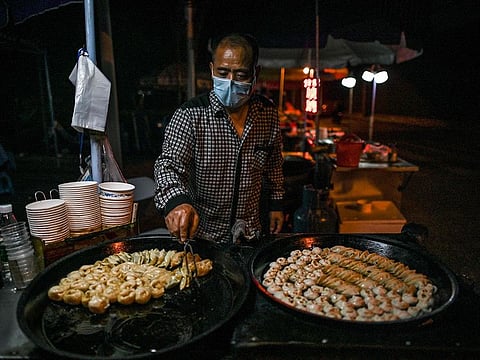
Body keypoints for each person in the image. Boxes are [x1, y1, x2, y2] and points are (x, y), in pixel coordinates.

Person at [153, 33, 285, 245]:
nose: (230, 82)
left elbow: (274, 165)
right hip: (204, 236)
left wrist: (276, 205)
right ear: (213, 69)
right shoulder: (190, 115)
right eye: (223, 73)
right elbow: (168, 166)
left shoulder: (267, 113)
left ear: (255, 73)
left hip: (249, 234)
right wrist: (177, 202)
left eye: (241, 74)